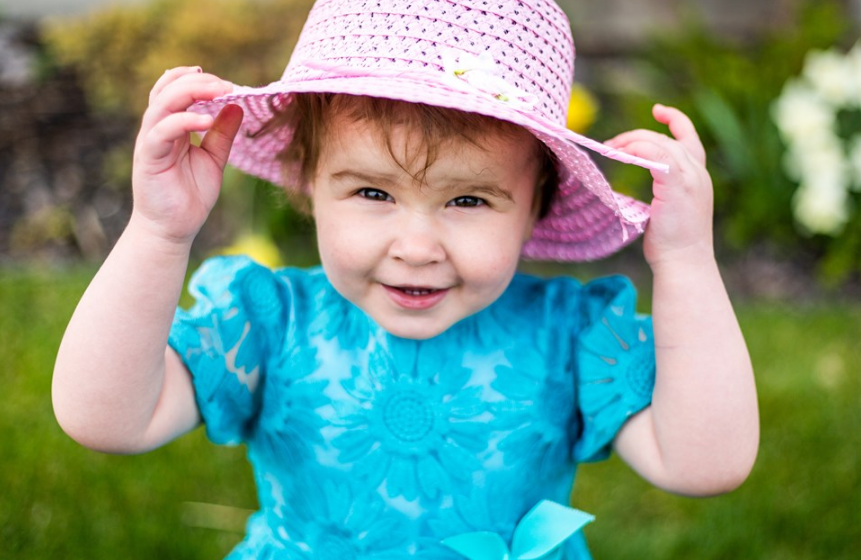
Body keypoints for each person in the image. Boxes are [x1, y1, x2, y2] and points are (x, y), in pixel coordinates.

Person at [52, 0, 759, 558]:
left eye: (467, 201)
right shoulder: (268, 323)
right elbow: (105, 417)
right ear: (308, 186)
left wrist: (687, 263)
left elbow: (703, 464)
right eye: (372, 194)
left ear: (536, 208)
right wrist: (159, 231)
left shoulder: (566, 337)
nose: (416, 246)